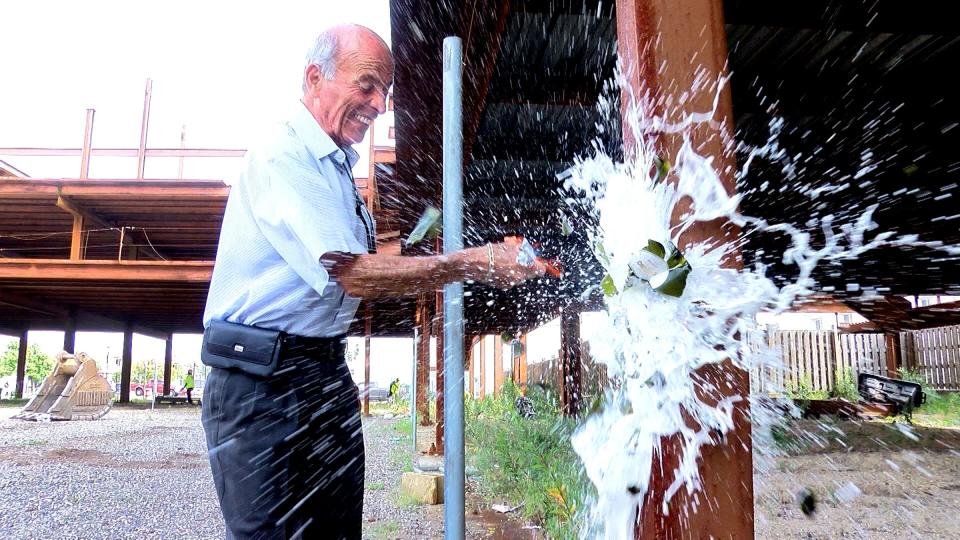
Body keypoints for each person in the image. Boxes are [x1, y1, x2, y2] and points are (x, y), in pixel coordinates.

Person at [200, 24, 543, 540]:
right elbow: (355, 273)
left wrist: (455, 255)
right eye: (366, 85)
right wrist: (475, 262)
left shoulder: (336, 168)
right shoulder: (285, 155)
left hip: (320, 371)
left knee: (337, 532)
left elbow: (358, 266)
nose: (379, 103)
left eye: (385, 90)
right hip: (259, 382)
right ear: (315, 77)